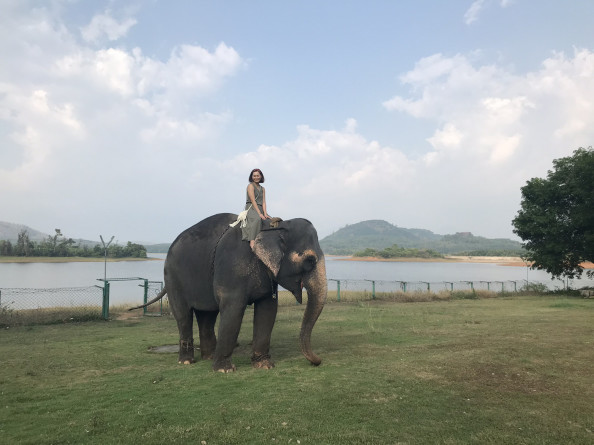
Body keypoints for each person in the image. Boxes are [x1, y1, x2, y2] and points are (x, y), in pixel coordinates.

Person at [242, 168, 270, 249]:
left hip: (261, 208)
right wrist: (260, 214)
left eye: (258, 175)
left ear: (261, 176)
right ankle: (252, 240)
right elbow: (253, 201)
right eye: (254, 176)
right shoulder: (250, 186)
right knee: (257, 219)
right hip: (252, 207)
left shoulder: (263, 189)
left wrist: (265, 213)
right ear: (252, 177)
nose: (256, 177)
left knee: (269, 220)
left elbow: (264, 202)